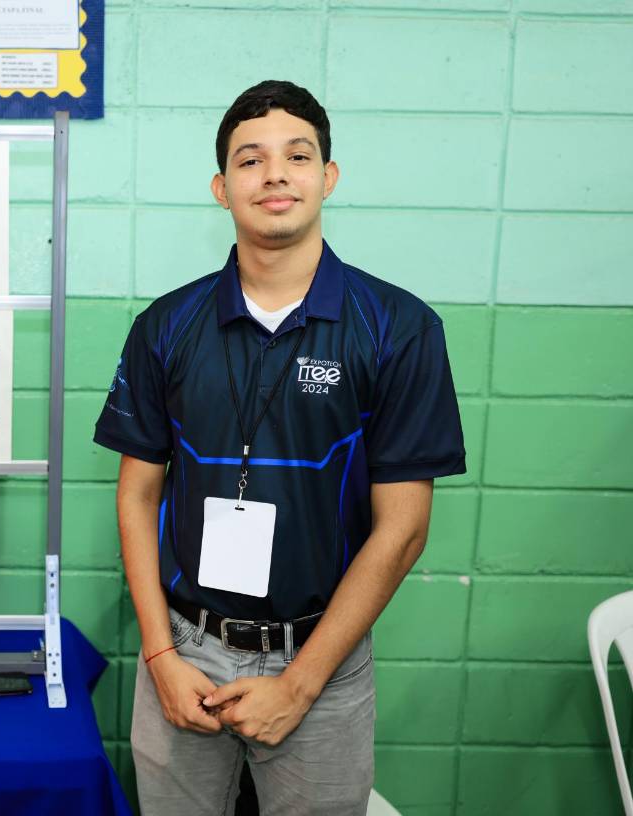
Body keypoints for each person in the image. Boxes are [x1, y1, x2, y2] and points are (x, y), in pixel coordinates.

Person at [94, 79, 466, 816]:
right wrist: (161, 657)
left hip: (320, 659)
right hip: (184, 654)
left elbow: (405, 529)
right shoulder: (165, 327)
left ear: (327, 177)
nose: (274, 174)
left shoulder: (399, 328)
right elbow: (137, 495)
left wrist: (299, 686)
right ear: (221, 187)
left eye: (298, 155)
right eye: (250, 159)